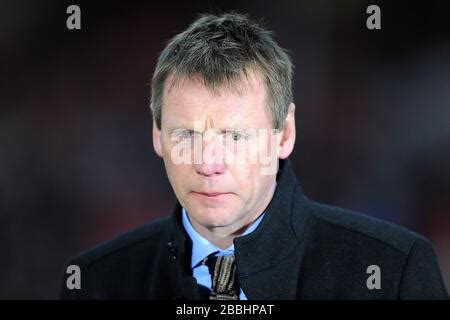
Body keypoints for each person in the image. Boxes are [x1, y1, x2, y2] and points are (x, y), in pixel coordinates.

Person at [60, 13, 448, 300]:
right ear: (157, 136)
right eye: (186, 135)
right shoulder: (95, 283)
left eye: (235, 136)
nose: (208, 163)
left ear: (286, 134)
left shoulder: (395, 271)